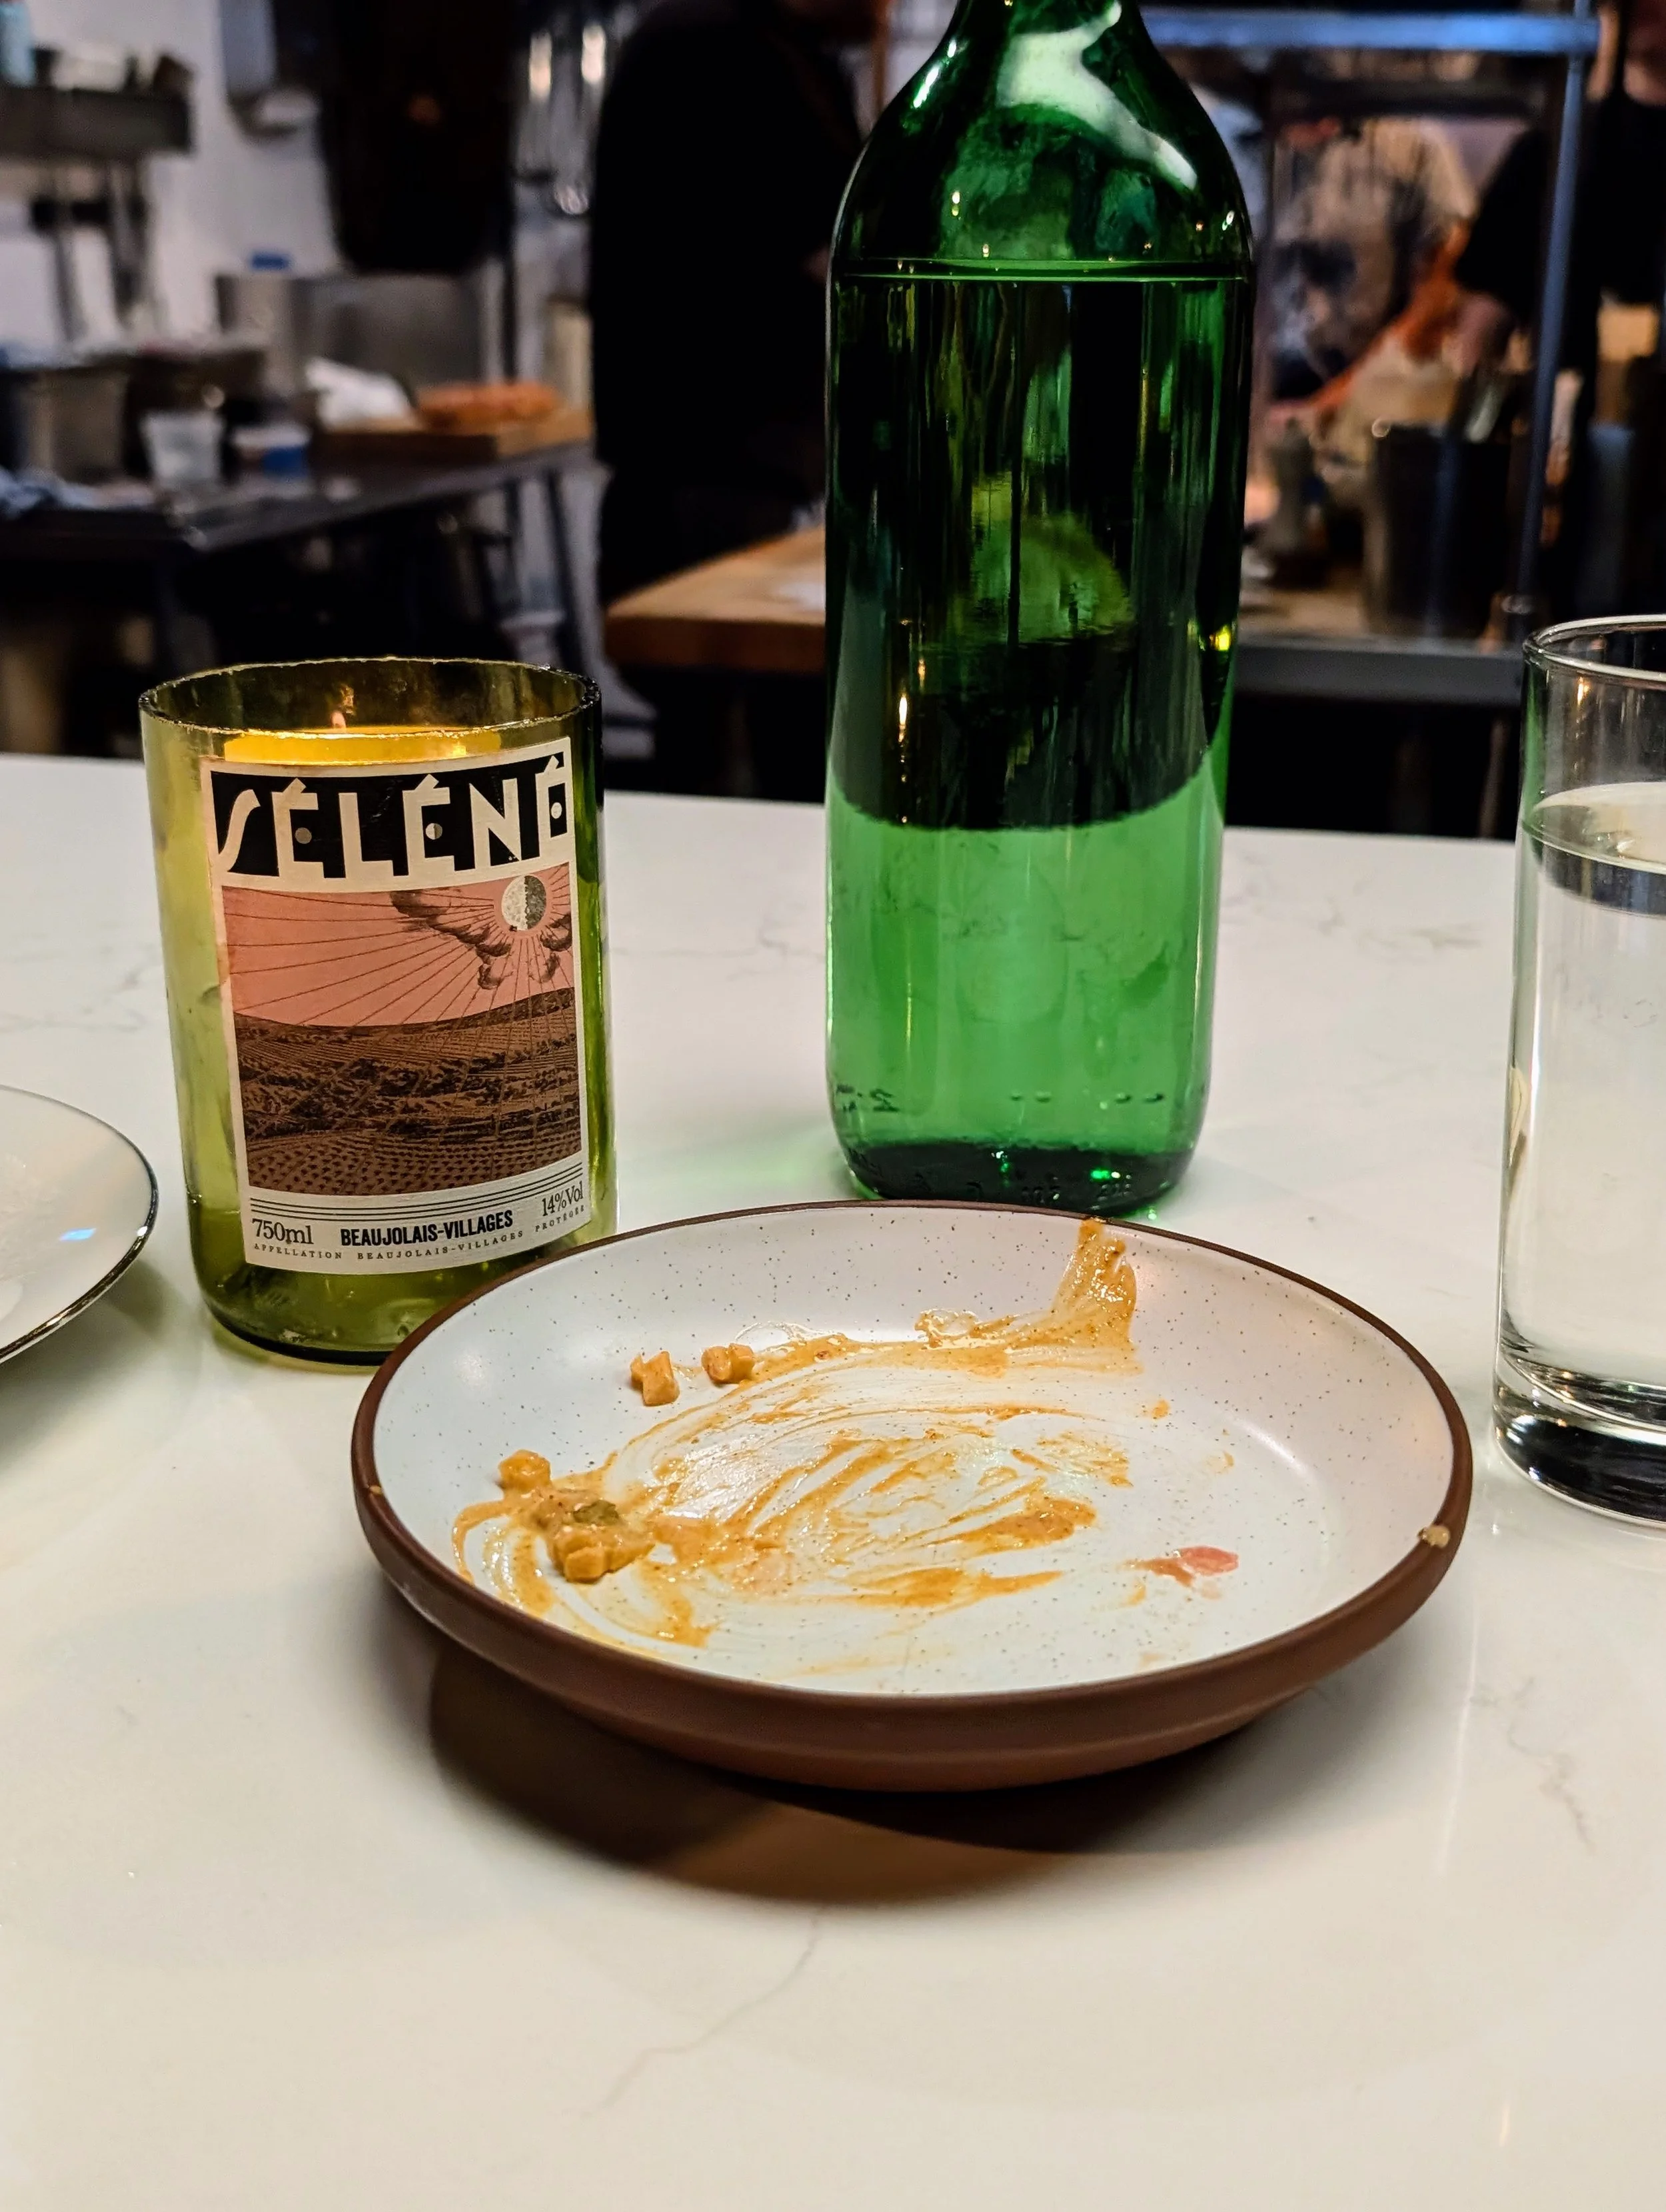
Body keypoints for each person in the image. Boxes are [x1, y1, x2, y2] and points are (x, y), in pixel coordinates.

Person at [590, 0, 876, 794]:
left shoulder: (736, 42)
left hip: (704, 463)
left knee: (718, 742)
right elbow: (839, 246)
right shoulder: (729, 49)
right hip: (714, 468)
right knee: (736, 752)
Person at [1265, 117, 1474, 404]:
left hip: (1367, 406)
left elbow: (1448, 281)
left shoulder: (1414, 145)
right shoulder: (1219, 134)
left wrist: (1349, 394)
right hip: (1236, 399)